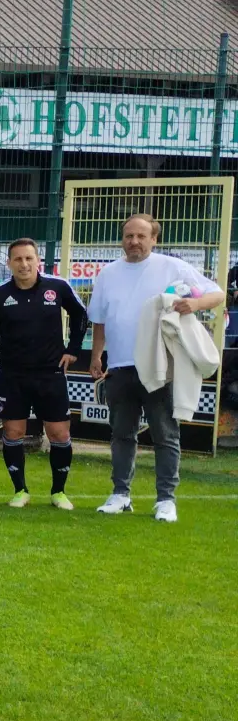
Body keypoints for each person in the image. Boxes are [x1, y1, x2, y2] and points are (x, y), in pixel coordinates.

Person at [89, 214, 223, 523]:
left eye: (140, 236)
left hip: (160, 367)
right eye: (128, 236)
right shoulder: (108, 273)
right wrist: (97, 356)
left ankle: (166, 500)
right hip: (120, 368)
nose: (133, 241)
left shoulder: (172, 267)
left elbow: (216, 293)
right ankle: (120, 494)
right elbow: (99, 319)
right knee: (121, 434)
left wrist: (195, 304)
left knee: (165, 435)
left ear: (154, 239)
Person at [0, 238, 87, 510]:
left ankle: (58, 492)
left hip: (50, 374)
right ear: (9, 263)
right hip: (11, 375)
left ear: (38, 260)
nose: (24, 264)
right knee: (13, 431)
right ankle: (20, 490)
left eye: (29, 258)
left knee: (59, 433)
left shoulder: (58, 287)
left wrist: (73, 349)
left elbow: (80, 315)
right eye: (18, 259)